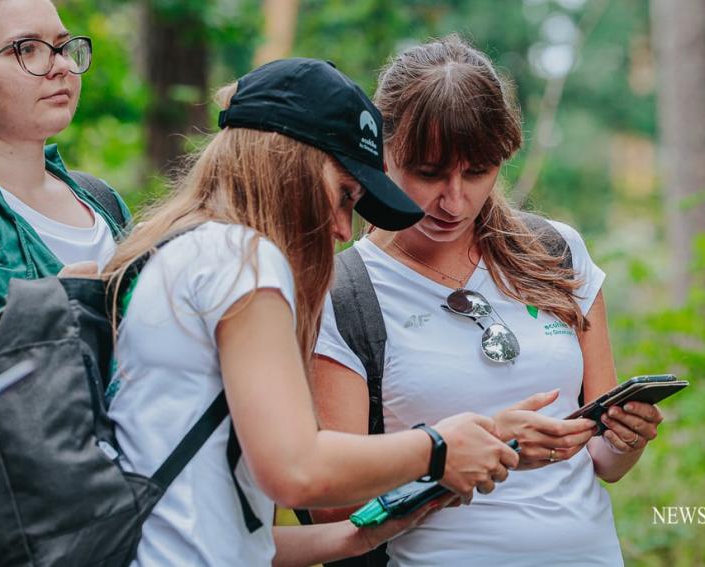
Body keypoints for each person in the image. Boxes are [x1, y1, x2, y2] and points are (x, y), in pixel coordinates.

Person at [102, 58, 519, 567]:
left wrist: (360, 536)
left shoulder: (179, 252)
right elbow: (294, 470)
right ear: (290, 163)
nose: (345, 229)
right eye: (345, 195)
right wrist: (436, 448)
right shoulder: (242, 261)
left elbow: (222, 529)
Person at [310, 35, 666, 566]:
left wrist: (625, 439)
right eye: (428, 173)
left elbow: (602, 460)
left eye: (477, 172)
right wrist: (454, 454)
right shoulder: (344, 293)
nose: (455, 200)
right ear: (382, 151)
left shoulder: (556, 252)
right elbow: (335, 512)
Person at [0, 0, 130, 326]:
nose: (60, 65)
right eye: (27, 49)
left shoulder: (103, 202)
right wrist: (40, 320)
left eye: (61, 47)